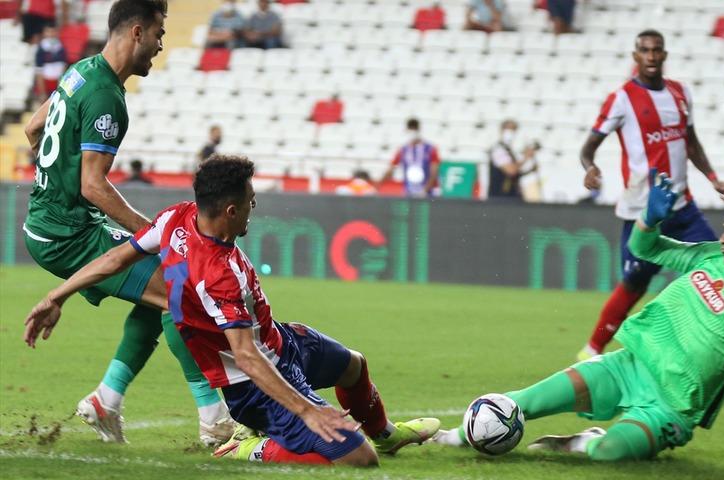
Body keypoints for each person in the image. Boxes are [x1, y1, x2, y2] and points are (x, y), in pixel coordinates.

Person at [24, 155, 441, 465]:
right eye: (250, 202)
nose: (252, 209)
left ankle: (386, 433)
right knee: (358, 458)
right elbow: (246, 356)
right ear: (230, 210)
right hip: (255, 385)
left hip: (282, 341)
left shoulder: (176, 218)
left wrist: (57, 295)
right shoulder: (218, 276)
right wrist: (307, 409)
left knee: (354, 366)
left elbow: (116, 258)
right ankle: (251, 447)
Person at [434, 184, 724, 462]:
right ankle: (454, 436)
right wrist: (649, 220)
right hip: (626, 366)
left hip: (671, 407)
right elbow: (645, 248)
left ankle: (586, 441)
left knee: (610, 452)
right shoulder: (710, 257)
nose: (723, 237)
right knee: (523, 402)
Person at [22, 0, 235, 446]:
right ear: (137, 32)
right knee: (179, 292)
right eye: (159, 34)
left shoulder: (81, 71)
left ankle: (107, 400)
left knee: (158, 293)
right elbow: (92, 186)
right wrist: (156, 234)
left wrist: (52, 172)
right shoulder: (106, 96)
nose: (160, 46)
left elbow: (33, 128)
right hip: (68, 233)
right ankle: (215, 421)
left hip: (50, 223)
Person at [570, 30, 724, 380]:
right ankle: (591, 350)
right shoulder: (621, 99)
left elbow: (691, 142)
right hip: (643, 212)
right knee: (635, 283)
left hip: (683, 208)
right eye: (645, 51)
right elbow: (588, 147)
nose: (651, 56)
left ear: (664, 54)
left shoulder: (680, 93)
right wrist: (589, 168)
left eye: (657, 50)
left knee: (721, 269)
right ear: (636, 56)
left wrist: (712, 177)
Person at [378, 118, 440, 198]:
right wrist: (378, 185)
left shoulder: (430, 149)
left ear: (419, 130)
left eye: (414, 129)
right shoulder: (403, 150)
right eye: (410, 129)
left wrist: (424, 190)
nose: (412, 133)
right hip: (409, 192)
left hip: (429, 193)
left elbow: (434, 172)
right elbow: (390, 170)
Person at [487, 119, 535, 200]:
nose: (510, 132)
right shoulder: (498, 150)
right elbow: (511, 171)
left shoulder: (509, 151)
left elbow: (515, 175)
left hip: (512, 195)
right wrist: (526, 157)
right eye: (508, 128)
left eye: (513, 129)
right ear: (501, 130)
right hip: (500, 197)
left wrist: (530, 170)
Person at [33, 25, 67, 103]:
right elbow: (39, 71)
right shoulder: (41, 49)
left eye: (53, 31)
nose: (51, 34)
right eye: (48, 32)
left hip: (57, 82)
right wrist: (42, 92)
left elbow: (63, 68)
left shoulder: (61, 47)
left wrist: (60, 88)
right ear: (44, 33)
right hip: (45, 82)